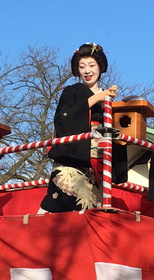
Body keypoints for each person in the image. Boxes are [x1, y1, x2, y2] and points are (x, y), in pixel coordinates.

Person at [39, 43, 118, 213]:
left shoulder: (107, 97)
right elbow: (64, 119)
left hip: (97, 163)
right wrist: (98, 98)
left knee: (92, 216)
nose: (87, 71)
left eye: (91, 65)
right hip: (72, 161)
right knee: (64, 213)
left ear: (100, 67)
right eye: (82, 67)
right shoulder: (72, 91)